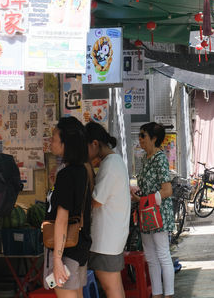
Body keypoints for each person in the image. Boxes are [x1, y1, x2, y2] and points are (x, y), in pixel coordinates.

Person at [44, 117, 94, 297]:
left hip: (66, 250)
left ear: (66, 144)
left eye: (54, 138)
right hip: (79, 247)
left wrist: (57, 260)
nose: (51, 142)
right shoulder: (82, 170)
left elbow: (62, 218)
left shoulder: (66, 174)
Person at [85, 122, 130, 298]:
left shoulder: (110, 164)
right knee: (114, 287)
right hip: (111, 237)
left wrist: (88, 168)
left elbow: (95, 200)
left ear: (95, 144)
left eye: (85, 148)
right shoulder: (113, 161)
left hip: (106, 240)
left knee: (111, 288)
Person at [130, 122, 174, 298]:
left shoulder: (160, 158)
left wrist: (144, 200)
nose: (140, 139)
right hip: (145, 212)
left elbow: (167, 190)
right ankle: (156, 294)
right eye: (140, 136)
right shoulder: (145, 159)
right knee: (150, 256)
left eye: (143, 136)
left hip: (158, 213)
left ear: (154, 138)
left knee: (162, 254)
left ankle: (168, 294)